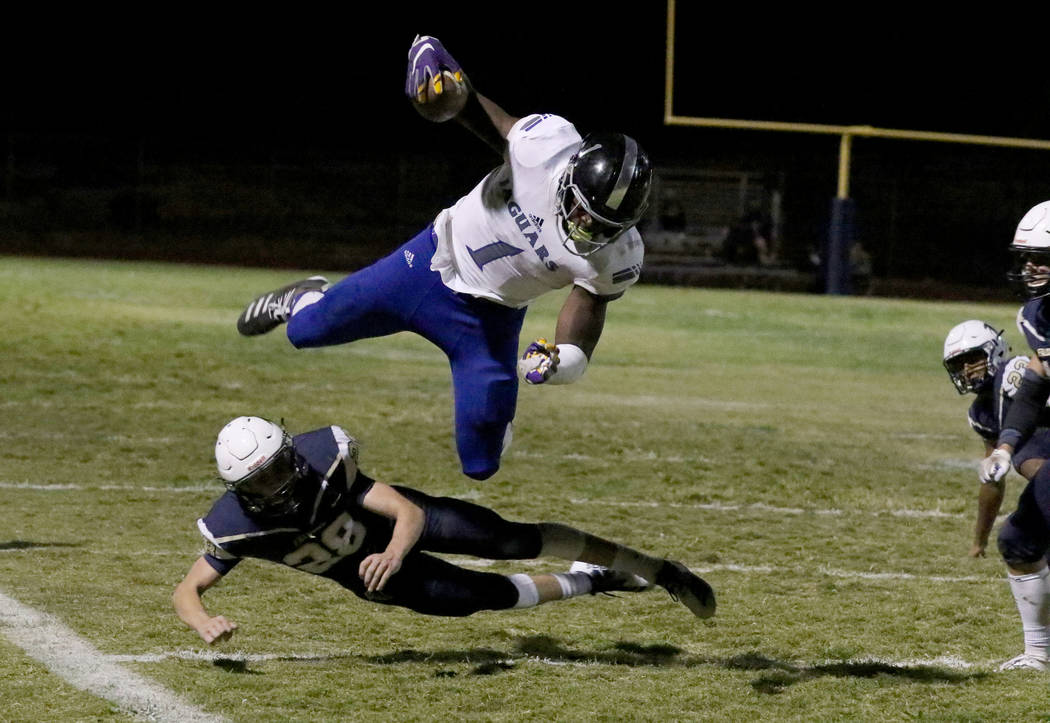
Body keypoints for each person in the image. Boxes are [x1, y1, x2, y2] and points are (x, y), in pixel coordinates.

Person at [233, 35, 653, 482]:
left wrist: (558, 364)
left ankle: (494, 417)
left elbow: (583, 329)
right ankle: (304, 295)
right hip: (428, 264)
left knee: (481, 464)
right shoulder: (543, 149)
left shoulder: (617, 255)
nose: (585, 228)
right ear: (569, 176)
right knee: (304, 331)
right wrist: (442, 90)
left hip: (489, 321)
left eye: (603, 226)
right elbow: (472, 112)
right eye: (580, 210)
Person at [173, 416, 715, 643]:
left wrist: (395, 553)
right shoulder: (237, 525)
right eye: (261, 481)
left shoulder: (324, 460)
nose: (279, 483)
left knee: (511, 540)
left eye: (279, 466)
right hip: (373, 578)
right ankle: (594, 580)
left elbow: (406, 513)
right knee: (481, 597)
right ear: (241, 489)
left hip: (401, 533)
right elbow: (187, 588)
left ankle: (656, 569)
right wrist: (203, 621)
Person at [977, 200, 1050, 671]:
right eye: (1028, 257)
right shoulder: (1039, 314)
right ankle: (1039, 654)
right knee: (1020, 542)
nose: (1031, 267)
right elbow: (1039, 379)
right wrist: (1005, 443)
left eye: (1043, 256)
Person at [941, 320, 1050, 558]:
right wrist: (979, 541)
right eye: (959, 365)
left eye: (973, 359)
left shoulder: (1016, 370)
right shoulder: (982, 413)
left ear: (995, 349)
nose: (967, 369)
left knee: (1023, 454)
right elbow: (992, 478)